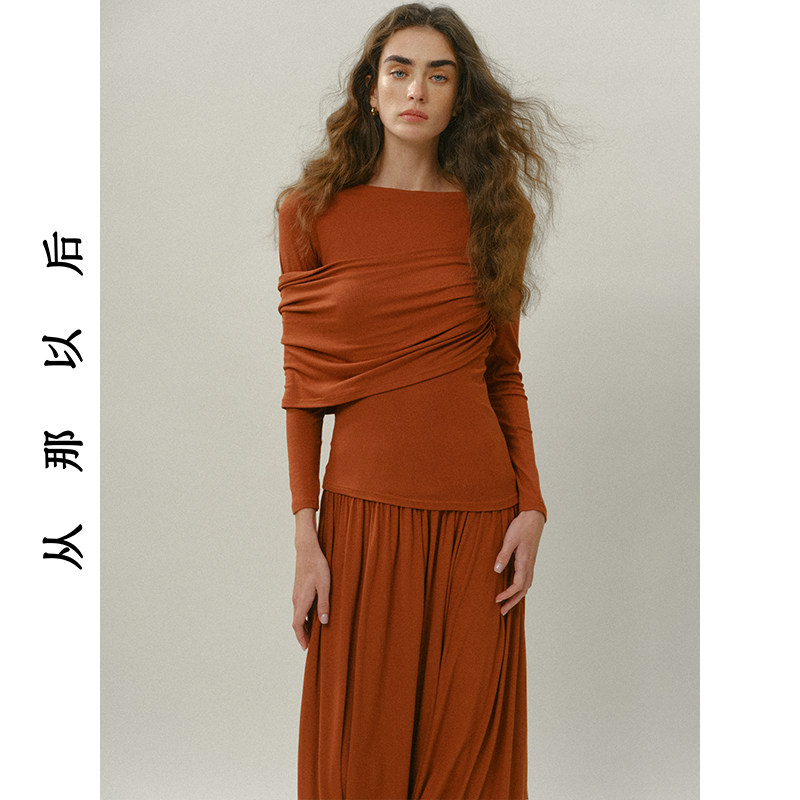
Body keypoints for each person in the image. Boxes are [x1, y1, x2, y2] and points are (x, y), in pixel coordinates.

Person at [276, 4, 564, 797]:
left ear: (458, 96)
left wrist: (531, 505)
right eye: (399, 71)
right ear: (370, 89)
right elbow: (304, 390)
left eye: (439, 76)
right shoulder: (310, 213)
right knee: (358, 763)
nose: (416, 90)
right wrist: (307, 536)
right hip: (362, 521)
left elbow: (502, 373)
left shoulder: (497, 215)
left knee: (463, 766)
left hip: (479, 520)